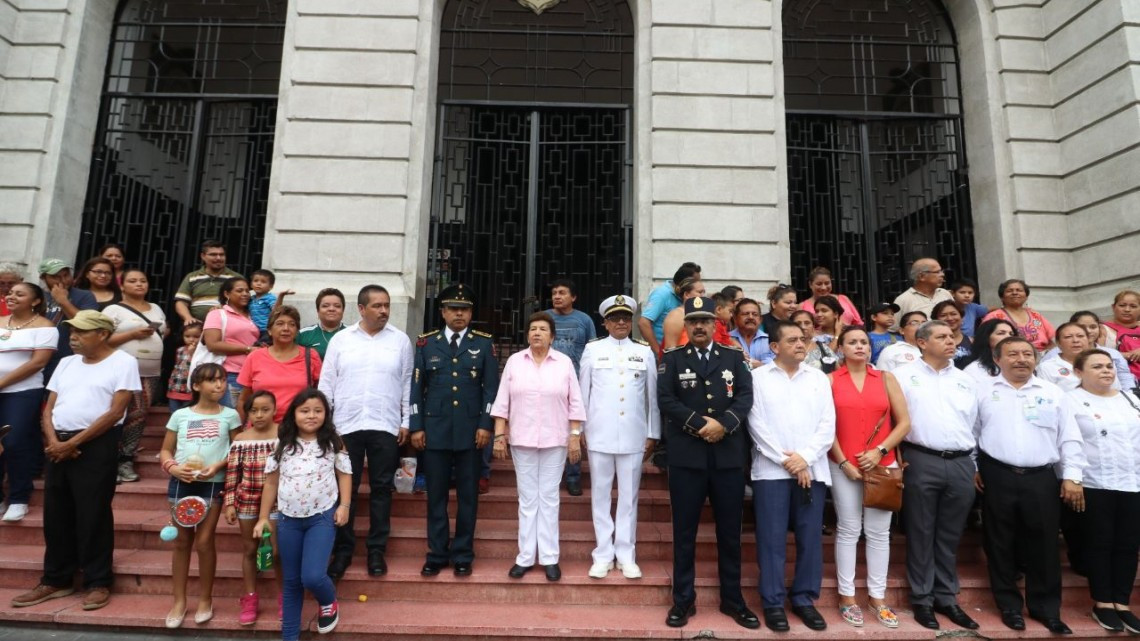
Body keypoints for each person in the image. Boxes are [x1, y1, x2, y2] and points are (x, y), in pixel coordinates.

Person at [10, 310, 139, 611]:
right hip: (59, 443)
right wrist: (55, 442)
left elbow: (114, 412)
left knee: (93, 513)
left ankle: (98, 581)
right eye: (72, 332)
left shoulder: (123, 362)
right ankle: (56, 579)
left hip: (95, 444)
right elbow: (48, 408)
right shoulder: (67, 363)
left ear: (103, 334)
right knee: (55, 513)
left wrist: (73, 443)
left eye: (81, 332)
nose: (74, 338)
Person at [656, 296, 756, 629]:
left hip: (727, 457)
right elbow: (666, 399)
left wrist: (724, 423)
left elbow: (745, 396)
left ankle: (733, 600)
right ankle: (683, 600)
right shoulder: (672, 359)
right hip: (687, 459)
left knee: (730, 532)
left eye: (705, 321)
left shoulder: (732, 357)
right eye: (693, 321)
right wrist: (701, 425)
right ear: (685, 326)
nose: (699, 326)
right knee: (684, 532)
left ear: (716, 325)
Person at [974, 336, 1085, 635]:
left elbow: (1069, 436)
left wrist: (1072, 475)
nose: (1021, 359)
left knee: (1045, 545)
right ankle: (1009, 607)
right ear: (997, 359)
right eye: (1013, 354)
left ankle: (1046, 609)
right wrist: (974, 467)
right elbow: (971, 432)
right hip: (997, 474)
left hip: (1041, 477)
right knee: (999, 543)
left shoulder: (1053, 392)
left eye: (1027, 353)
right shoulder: (983, 391)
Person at [319, 285, 412, 579]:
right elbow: (327, 382)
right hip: (345, 426)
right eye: (377, 306)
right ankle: (343, 551)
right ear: (361, 309)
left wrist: (406, 421)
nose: (384, 311)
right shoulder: (341, 340)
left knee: (382, 489)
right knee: (346, 489)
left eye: (386, 305)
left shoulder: (400, 340)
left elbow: (407, 382)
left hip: (385, 424)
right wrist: (326, 424)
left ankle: (376, 550)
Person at [748, 321, 835, 632]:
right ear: (774, 347)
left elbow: (828, 425)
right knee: (771, 539)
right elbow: (756, 425)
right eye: (793, 340)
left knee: (810, 537)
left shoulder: (819, 379)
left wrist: (805, 459)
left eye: (803, 339)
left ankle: (804, 598)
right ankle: (772, 602)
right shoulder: (757, 378)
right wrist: (788, 462)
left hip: (812, 470)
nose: (801, 344)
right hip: (771, 472)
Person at [895, 320, 980, 631]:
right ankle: (922, 598)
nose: (951, 341)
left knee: (950, 534)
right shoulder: (903, 377)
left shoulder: (965, 380)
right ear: (921, 342)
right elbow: (893, 419)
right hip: (920, 458)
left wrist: (973, 464)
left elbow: (973, 424)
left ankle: (947, 596)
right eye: (942, 337)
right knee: (920, 531)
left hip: (960, 462)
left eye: (952, 336)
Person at [409, 283, 499, 577]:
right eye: (453, 309)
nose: (459, 314)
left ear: (471, 313)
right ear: (443, 312)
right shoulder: (426, 343)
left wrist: (487, 425)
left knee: (468, 497)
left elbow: (490, 391)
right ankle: (436, 553)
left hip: (472, 433)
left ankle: (462, 553)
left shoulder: (484, 344)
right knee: (435, 495)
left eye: (464, 310)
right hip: (434, 431)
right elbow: (416, 390)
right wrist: (416, 427)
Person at [827, 326, 911, 629]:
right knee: (848, 529)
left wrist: (879, 450)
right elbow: (827, 426)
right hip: (844, 465)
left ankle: (878, 598)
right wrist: (842, 461)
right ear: (841, 347)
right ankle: (847, 596)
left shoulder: (886, 378)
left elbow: (904, 423)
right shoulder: (830, 381)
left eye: (864, 342)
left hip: (882, 464)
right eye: (852, 342)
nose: (860, 346)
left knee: (878, 533)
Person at [491, 311, 585, 581]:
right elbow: (503, 401)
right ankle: (524, 557)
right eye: (533, 328)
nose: (537, 333)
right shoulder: (514, 362)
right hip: (522, 439)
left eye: (543, 329)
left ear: (552, 336)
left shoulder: (564, 363)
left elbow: (575, 402)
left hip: (556, 439)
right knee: (527, 499)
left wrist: (575, 435)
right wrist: (500, 435)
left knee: (549, 498)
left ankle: (550, 558)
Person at [254, 390, 352, 639]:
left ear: (326, 414)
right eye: (305, 410)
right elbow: (271, 483)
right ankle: (289, 636)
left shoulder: (333, 441)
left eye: (318, 411)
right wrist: (264, 517)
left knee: (312, 576)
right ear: (293, 414)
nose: (311, 416)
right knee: (291, 582)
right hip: (288, 520)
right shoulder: (283, 444)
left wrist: (345, 506)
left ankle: (329, 601)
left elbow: (344, 473)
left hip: (321, 518)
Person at [579, 295, 659, 580]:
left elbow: (652, 397)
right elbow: (582, 394)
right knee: (600, 496)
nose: (621, 322)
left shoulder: (644, 351)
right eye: (615, 318)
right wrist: (580, 430)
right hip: (599, 433)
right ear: (605, 322)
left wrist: (653, 433)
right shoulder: (592, 350)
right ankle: (603, 553)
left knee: (629, 498)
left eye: (626, 317)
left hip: (634, 435)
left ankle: (626, 554)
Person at [159, 362, 241, 628]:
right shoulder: (180, 416)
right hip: (181, 484)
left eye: (222, 380)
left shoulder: (230, 415)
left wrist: (217, 466)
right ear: (196, 385)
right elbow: (165, 451)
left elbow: (237, 450)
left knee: (204, 542)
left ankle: (206, 599)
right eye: (211, 380)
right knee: (182, 542)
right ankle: (179, 601)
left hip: (213, 484)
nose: (219, 385)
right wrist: (175, 468)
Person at [1068, 349, 1140, 633]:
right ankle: (1102, 602)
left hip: (1132, 481)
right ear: (1079, 372)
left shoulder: (1129, 398)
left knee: (1128, 544)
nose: (1106, 371)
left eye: (1109, 366)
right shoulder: (1071, 400)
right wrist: (1072, 477)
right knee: (1100, 543)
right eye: (1097, 366)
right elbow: (1070, 441)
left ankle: (1122, 602)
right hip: (1094, 481)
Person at [223, 390, 281, 626]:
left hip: (278, 502)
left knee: (276, 552)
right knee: (249, 549)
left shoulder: (284, 436)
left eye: (265, 409)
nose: (259, 415)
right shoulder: (241, 440)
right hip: (246, 501)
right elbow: (232, 474)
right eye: (254, 410)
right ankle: (250, 597)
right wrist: (229, 503)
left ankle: (284, 597)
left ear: (275, 410)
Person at [104, 267, 168, 483]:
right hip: (120, 370)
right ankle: (110, 460)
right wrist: (132, 334)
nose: (139, 284)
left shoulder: (156, 308)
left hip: (150, 371)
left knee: (139, 413)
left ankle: (126, 458)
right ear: (122, 285)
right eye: (133, 281)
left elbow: (164, 331)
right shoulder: (113, 310)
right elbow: (101, 340)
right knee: (118, 412)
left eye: (143, 280)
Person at [0, 282, 57, 522]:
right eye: (11, 293)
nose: (12, 296)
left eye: (19, 294)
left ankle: (18, 498)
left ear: (35, 301)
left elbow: (37, 363)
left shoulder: (46, 327)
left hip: (22, 392)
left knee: (13, 442)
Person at [545, 278, 596, 496]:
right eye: (555, 292)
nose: (557, 296)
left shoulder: (584, 320)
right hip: (547, 383)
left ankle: (573, 476)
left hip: (576, 383)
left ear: (573, 297)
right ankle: (550, 476)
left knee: (573, 431)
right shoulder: (544, 318)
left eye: (562, 292)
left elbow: (592, 352)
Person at [237, 306, 322, 424]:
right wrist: (240, 431)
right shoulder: (255, 357)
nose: (286, 328)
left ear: (297, 331)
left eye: (292, 324)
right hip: (261, 431)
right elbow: (243, 399)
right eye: (280, 324)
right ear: (269, 330)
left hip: (299, 430)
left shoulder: (311, 356)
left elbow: (321, 395)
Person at [201, 277, 260, 408]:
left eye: (247, 290)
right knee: (232, 418)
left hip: (253, 373)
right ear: (227, 294)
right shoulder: (217, 313)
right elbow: (212, 344)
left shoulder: (252, 314)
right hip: (230, 374)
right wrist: (248, 349)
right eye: (239, 290)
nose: (245, 294)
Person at [39, 258, 98, 381]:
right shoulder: (38, 296)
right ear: (44, 278)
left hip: (68, 355)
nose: (63, 280)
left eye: (66, 275)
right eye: (55, 277)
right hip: (39, 355)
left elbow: (87, 324)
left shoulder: (84, 295)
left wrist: (63, 301)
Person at [638, 262, 700, 358]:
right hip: (664, 354)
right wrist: (658, 352)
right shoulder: (661, 294)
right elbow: (643, 323)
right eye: (695, 282)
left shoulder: (687, 297)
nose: (699, 285)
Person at [174, 240, 243, 324]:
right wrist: (188, 318)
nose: (218, 258)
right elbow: (181, 302)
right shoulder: (192, 277)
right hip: (198, 328)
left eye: (221, 255)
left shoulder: (236, 278)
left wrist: (225, 308)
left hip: (228, 325)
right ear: (203, 256)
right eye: (213, 255)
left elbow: (244, 302)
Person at [1068, 311, 1135, 390]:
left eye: (1093, 327)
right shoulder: (1056, 354)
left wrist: (1131, 394)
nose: (1088, 331)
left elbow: (1124, 377)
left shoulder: (1113, 354)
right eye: (1082, 327)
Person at [982, 279, 1055, 351]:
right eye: (1009, 291)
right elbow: (983, 342)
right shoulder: (993, 317)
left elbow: (1052, 339)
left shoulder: (1035, 315)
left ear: (1026, 296)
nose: (1014, 293)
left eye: (1019, 290)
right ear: (1002, 297)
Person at [892, 258, 953, 325]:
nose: (942, 274)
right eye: (937, 272)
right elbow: (894, 329)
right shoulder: (904, 300)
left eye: (941, 271)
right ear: (921, 276)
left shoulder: (944, 293)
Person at [1038, 322, 1096, 391]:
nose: (1075, 340)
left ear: (1088, 340)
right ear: (1058, 343)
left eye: (1080, 336)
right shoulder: (1047, 367)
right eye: (1068, 337)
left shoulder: (1100, 362)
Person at [962, 318, 1018, 383]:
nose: (1008, 337)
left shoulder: (1022, 363)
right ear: (986, 338)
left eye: (1011, 334)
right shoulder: (974, 369)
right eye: (1001, 333)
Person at [296, 288, 347, 358]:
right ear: (318, 310)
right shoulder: (303, 335)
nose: (331, 309)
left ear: (343, 310)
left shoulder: (353, 334)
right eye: (325, 306)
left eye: (337, 306)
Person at [1104, 290, 1140, 385]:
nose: (1127, 309)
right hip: (1122, 382)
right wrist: (1130, 355)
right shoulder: (1102, 329)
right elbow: (1096, 353)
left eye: (1133, 306)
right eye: (1122, 305)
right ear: (1113, 307)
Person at [249, 269, 292, 343]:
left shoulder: (269, 298)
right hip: (254, 330)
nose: (258, 284)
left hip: (266, 331)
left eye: (263, 282)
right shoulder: (251, 298)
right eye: (256, 281)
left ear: (271, 286)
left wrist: (281, 296)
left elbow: (276, 310)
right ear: (251, 284)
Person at [661, 278, 705, 351]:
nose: (703, 296)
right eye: (700, 292)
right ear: (686, 294)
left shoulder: (703, 313)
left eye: (704, 292)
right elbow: (670, 348)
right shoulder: (676, 315)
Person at [791, 310, 838, 374]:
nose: (803, 327)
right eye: (798, 323)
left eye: (807, 323)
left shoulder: (823, 348)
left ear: (813, 326)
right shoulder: (784, 348)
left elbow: (837, 372)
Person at [167, 323, 202, 412]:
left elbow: (200, 366)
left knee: (188, 415)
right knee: (174, 414)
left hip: (190, 392)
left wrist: (193, 353)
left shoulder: (203, 351)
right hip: (175, 388)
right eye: (187, 336)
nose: (191, 339)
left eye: (196, 336)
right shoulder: (180, 350)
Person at [729, 297, 769, 369]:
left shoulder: (770, 340)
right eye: (745, 314)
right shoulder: (725, 339)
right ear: (735, 319)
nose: (751, 317)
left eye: (755, 314)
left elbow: (778, 366)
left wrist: (759, 365)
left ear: (760, 319)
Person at [932, 300, 972, 368]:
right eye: (943, 315)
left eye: (953, 314)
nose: (949, 318)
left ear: (962, 317)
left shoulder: (972, 341)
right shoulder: (930, 343)